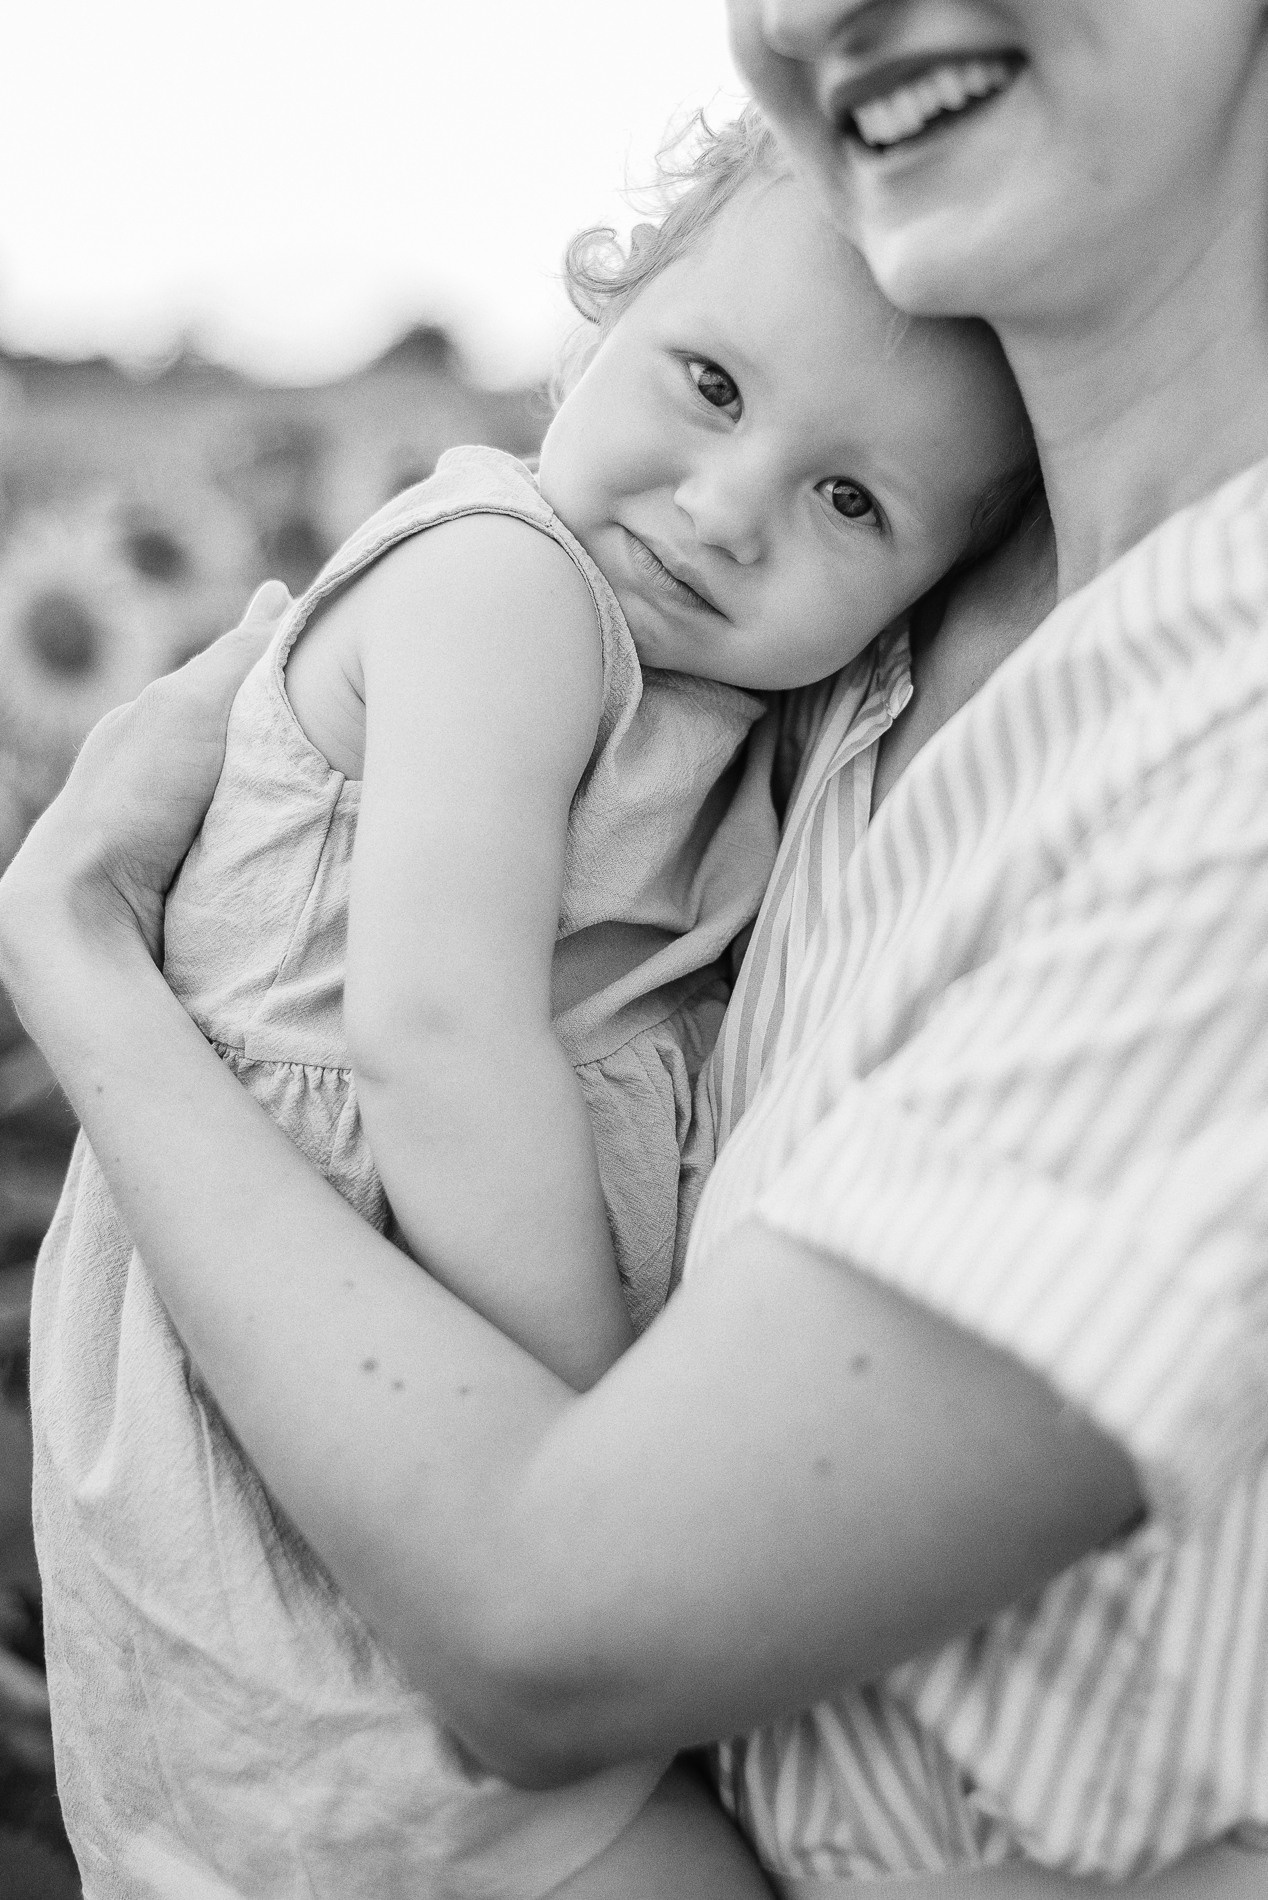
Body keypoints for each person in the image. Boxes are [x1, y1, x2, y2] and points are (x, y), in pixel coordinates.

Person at [4, 0, 1268, 1894]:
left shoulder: (1191, 740)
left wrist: (71, 954)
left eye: (851, 500)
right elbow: (437, 1028)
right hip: (336, 1477)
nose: (725, 509)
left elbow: (551, 1592)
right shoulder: (722, 652)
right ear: (605, 317)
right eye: (705, 384)